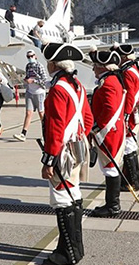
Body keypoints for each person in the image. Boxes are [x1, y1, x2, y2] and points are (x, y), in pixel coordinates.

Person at [40, 42, 93, 265]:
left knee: (62, 199)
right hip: (78, 148)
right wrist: (78, 138)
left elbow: (55, 128)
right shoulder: (77, 85)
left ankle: (66, 255)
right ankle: (74, 249)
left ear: (53, 64)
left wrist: (49, 160)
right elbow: (88, 119)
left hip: (63, 152)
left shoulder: (58, 89)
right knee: (74, 195)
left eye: (48, 63)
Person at [89, 50, 127, 217]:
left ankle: (113, 205)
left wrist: (97, 126)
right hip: (112, 130)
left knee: (110, 168)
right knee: (111, 167)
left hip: (108, 132)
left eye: (95, 66)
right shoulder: (111, 80)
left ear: (101, 67)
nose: (93, 69)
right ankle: (112, 203)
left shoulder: (108, 83)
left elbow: (110, 109)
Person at [111, 44, 139, 191]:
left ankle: (132, 182)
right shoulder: (133, 69)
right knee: (130, 148)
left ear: (123, 57)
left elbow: (130, 97)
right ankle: (131, 180)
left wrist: (124, 116)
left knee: (128, 148)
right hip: (133, 113)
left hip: (129, 115)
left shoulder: (127, 72)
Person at [14, 50, 47, 142]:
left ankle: (46, 133)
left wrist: (33, 81)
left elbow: (44, 80)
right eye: (28, 57)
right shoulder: (28, 66)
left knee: (41, 114)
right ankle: (23, 134)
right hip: (30, 92)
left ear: (35, 56)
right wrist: (26, 80)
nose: (30, 58)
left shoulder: (39, 66)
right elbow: (28, 76)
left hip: (39, 92)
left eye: (31, 56)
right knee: (28, 113)